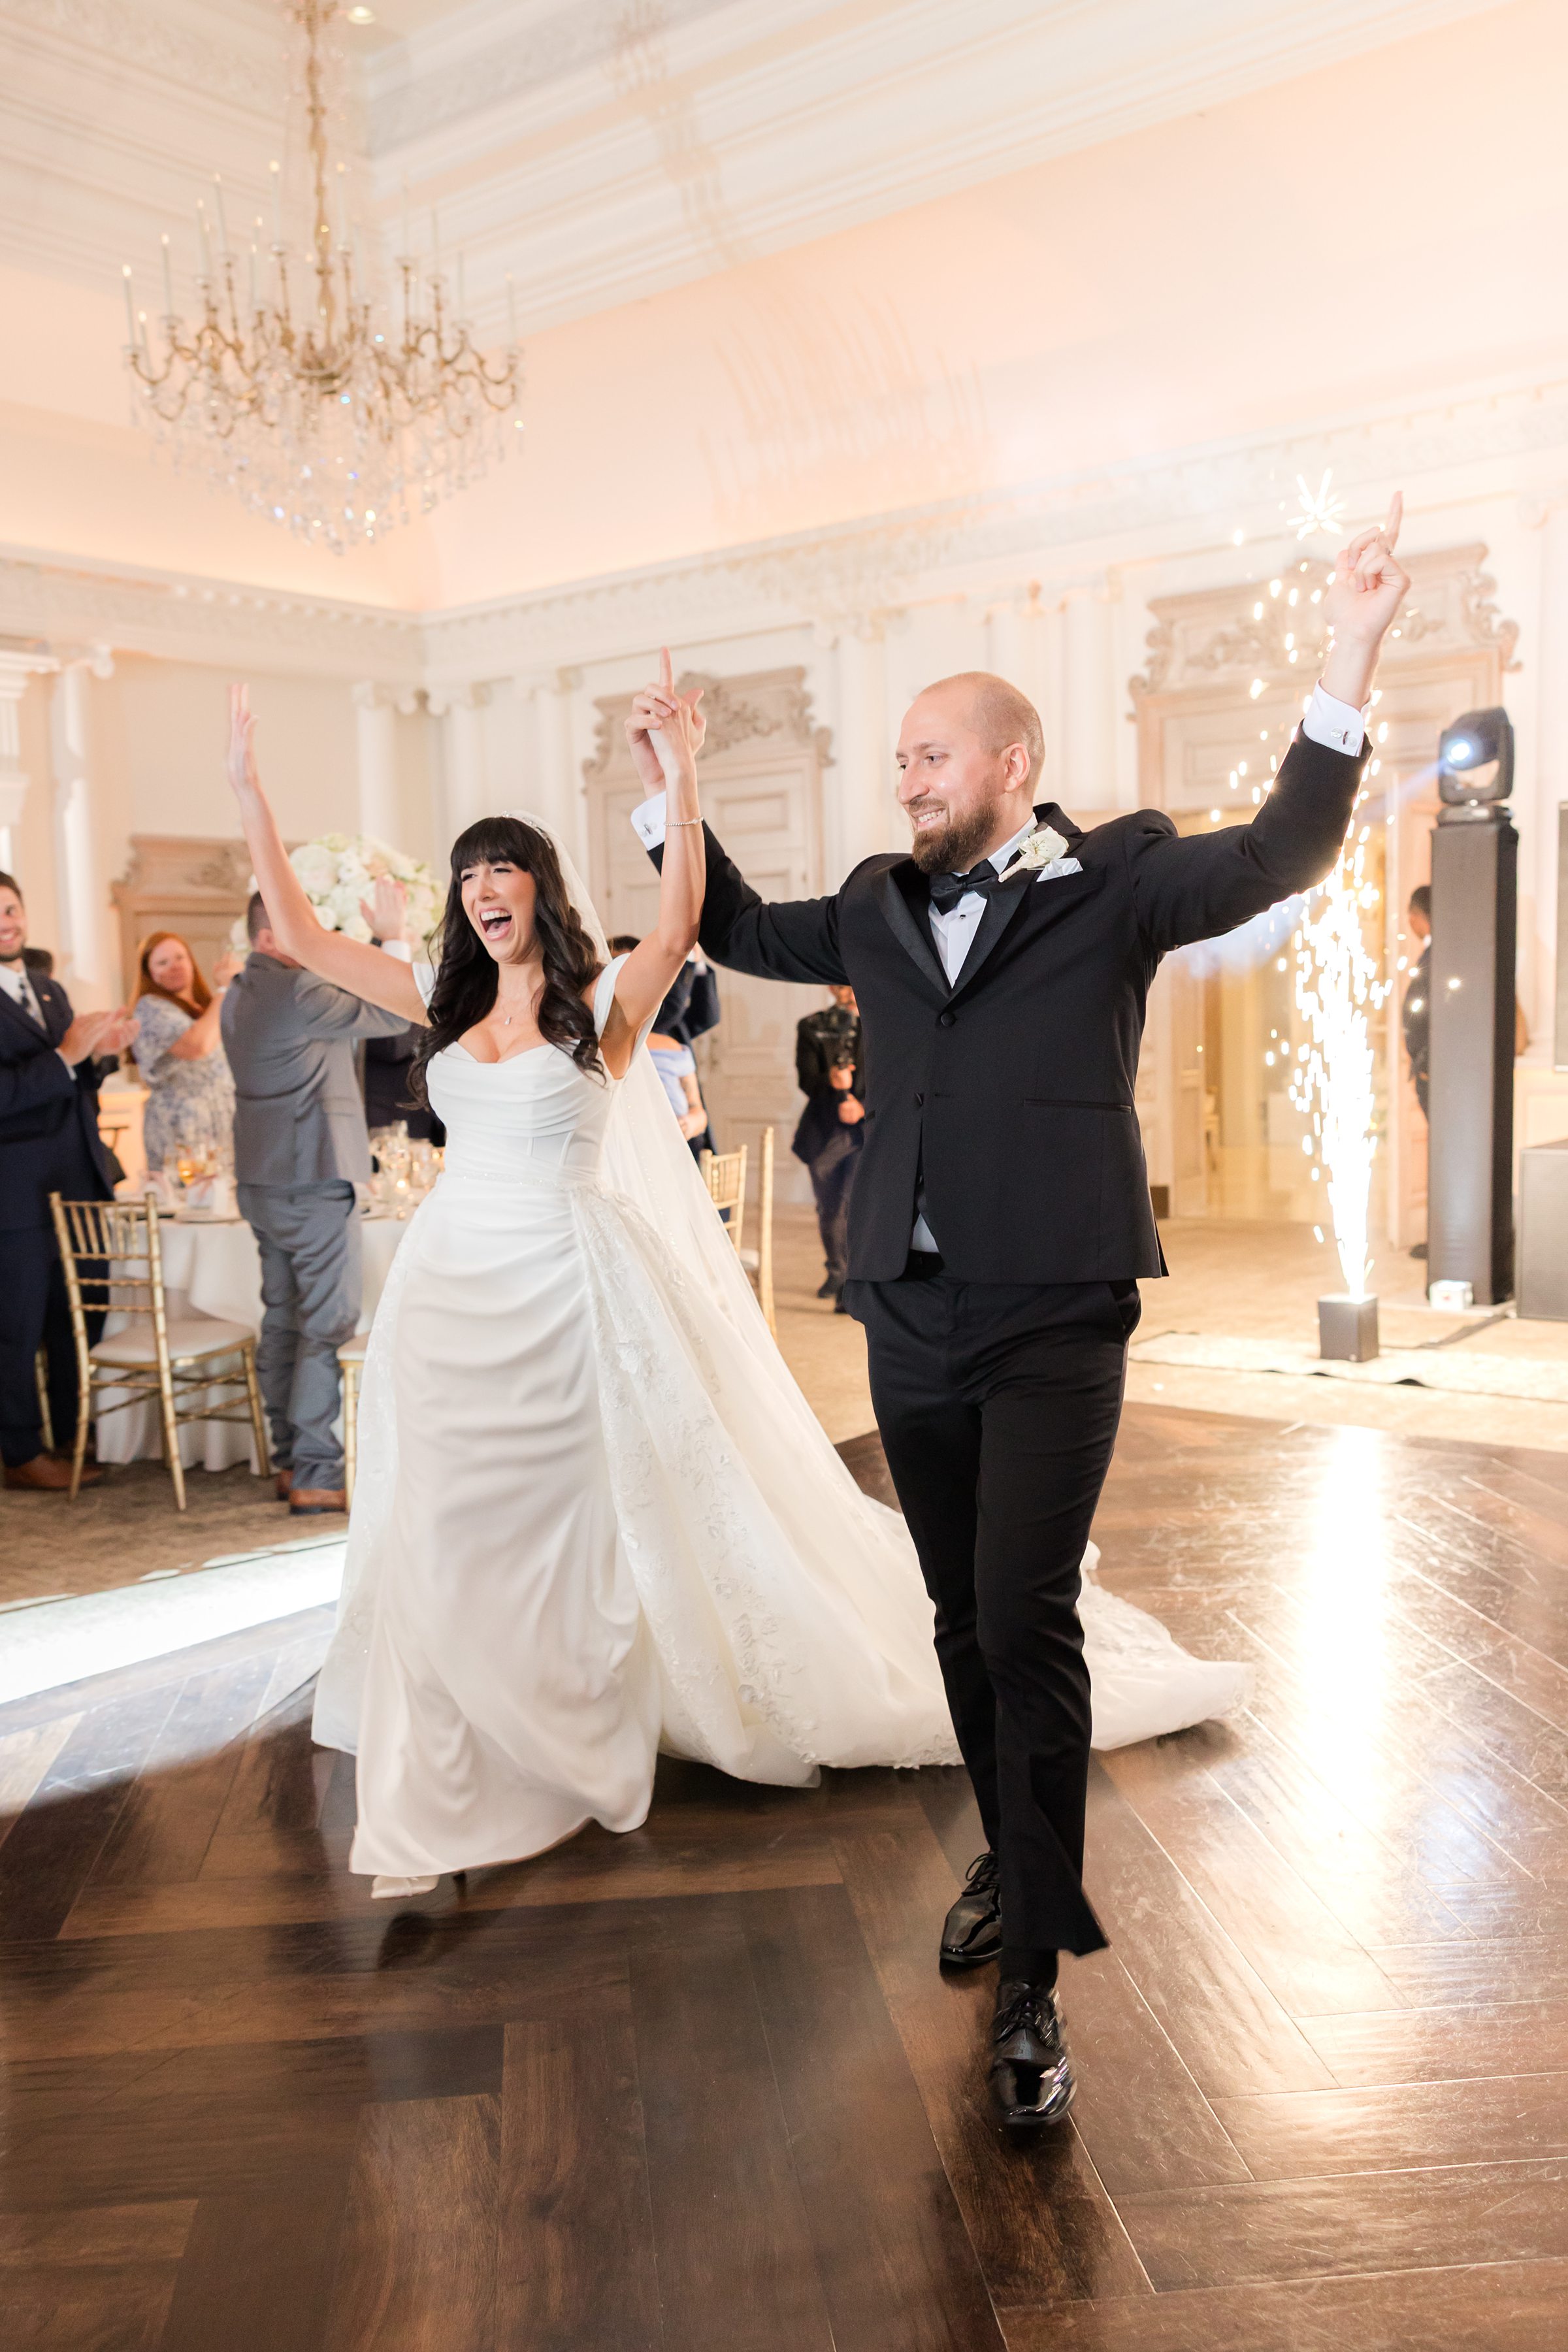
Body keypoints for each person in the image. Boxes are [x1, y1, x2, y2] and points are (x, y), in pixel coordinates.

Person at [634, 500, 1409, 2127]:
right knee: (956, 1620)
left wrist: (1347, 651)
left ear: (1008, 761)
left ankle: (1035, 1984)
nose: (905, 781)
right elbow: (730, 923)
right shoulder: (872, 901)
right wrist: (678, 784)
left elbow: (1279, 851)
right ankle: (1009, 1853)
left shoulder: (1111, 876)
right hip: (903, 1310)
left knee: (1024, 1614)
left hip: (1055, 1306)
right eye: (898, 762)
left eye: (928, 757)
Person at [221, 884, 413, 1516]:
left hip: (262, 1179)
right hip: (312, 1178)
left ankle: (288, 1460)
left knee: (283, 1318)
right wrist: (394, 937)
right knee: (326, 1324)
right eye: (300, 926)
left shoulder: (241, 992)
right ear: (269, 936)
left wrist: (368, 945)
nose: (315, 937)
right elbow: (393, 1012)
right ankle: (316, 1470)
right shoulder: (299, 991)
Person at [0, 871, 138, 1490]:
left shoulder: (49, 989)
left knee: (77, 1318)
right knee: (17, 1325)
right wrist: (63, 1057)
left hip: (77, 1180)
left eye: (11, 909)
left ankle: (72, 1435)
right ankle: (20, 1453)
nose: (6, 922)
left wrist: (103, 1054)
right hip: (15, 1193)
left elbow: (75, 1082)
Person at [131, 930, 243, 1172]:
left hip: (223, 1119)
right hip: (183, 1127)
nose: (175, 966)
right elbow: (197, 1046)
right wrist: (225, 990)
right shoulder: (151, 1008)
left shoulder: (205, 1008)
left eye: (180, 958)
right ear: (150, 973)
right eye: (163, 962)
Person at [794, 984, 864, 1307]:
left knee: (853, 1205)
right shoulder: (813, 1026)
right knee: (830, 1206)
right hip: (824, 1134)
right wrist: (833, 1084)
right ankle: (838, 1271)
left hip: (869, 1131)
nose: (845, 989)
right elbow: (807, 1079)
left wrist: (862, 1105)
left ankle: (853, 1282)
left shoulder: (887, 1020)